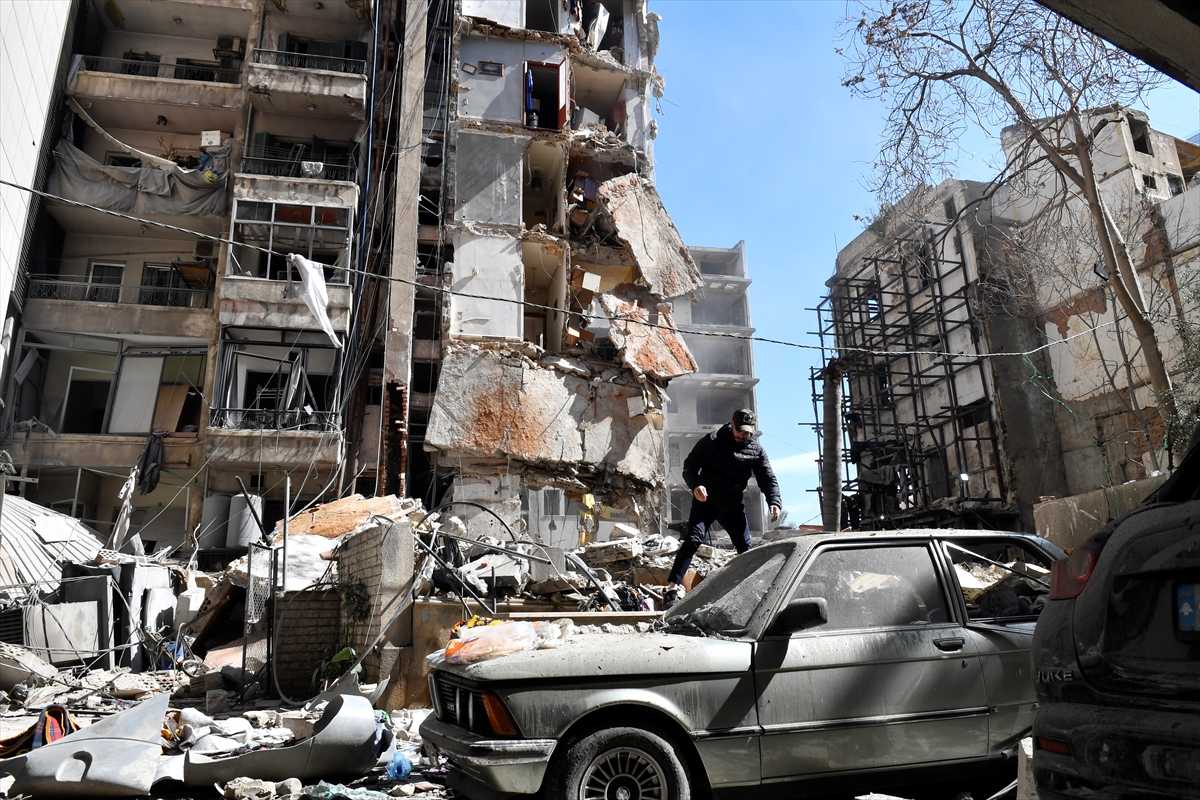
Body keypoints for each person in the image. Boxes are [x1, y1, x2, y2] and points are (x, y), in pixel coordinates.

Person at [665, 408, 782, 606]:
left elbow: (767, 478)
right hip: (706, 501)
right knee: (693, 539)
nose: (742, 436)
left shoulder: (756, 450)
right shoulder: (711, 441)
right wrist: (696, 485)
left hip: (732, 504)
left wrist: (774, 502)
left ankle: (751, 591)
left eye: (747, 433)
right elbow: (689, 466)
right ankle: (671, 588)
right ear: (732, 424)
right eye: (739, 431)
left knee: (745, 548)